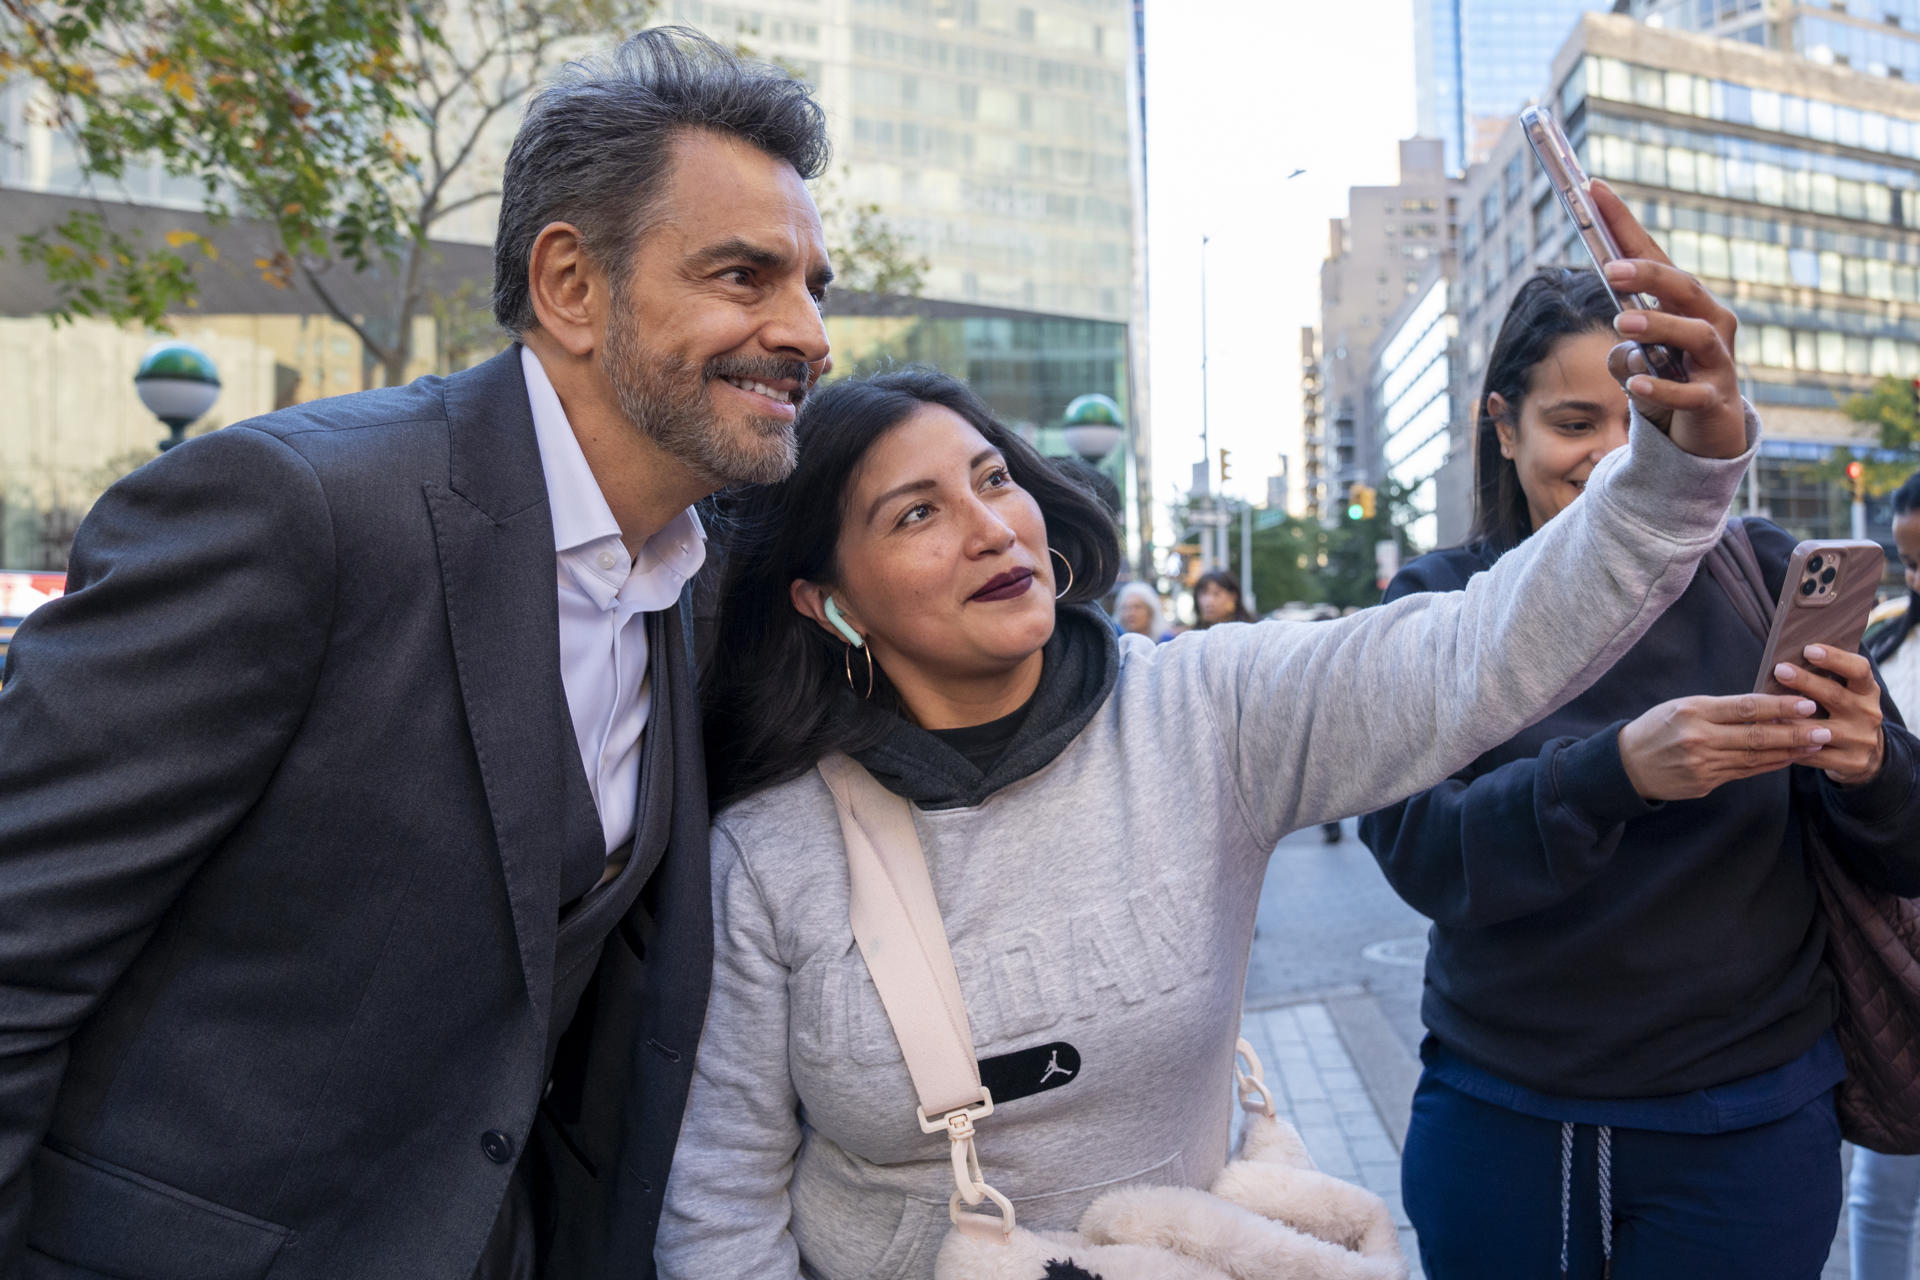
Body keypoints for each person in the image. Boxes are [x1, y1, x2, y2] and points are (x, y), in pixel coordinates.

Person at [655, 191, 1776, 1279]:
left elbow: (1471, 652)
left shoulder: (1206, 710)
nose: (992, 527)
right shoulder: (769, 852)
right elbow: (719, 1205)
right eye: (917, 513)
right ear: (826, 599)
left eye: (993, 478)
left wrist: (1676, 469)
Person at [0, 29, 831, 1280]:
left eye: (817, 286)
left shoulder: (690, 584)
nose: (806, 333)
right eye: (743, 275)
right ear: (570, 284)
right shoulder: (293, 509)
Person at [1358, 267, 1920, 1280]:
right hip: (1506, 1112)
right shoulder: (1441, 599)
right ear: (1503, 425)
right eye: (1575, 422)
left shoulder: (1761, 573)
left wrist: (1868, 759)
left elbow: (1908, 844)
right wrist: (1614, 773)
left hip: (1749, 1123)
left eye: (1642, 423)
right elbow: (1418, 850)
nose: (1614, 458)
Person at [1848, 469, 1920, 1280]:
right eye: (1907, 561)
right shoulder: (1888, 647)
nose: (1916, 579)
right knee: (1884, 1177)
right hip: (1901, 933)